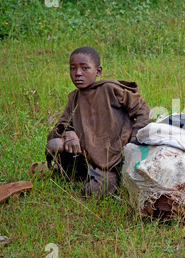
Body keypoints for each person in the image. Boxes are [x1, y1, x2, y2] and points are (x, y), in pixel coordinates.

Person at [44, 46, 151, 198]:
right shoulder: (74, 97)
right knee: (53, 144)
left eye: (85, 68)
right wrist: (69, 132)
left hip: (112, 158)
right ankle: (73, 173)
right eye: (72, 68)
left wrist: (135, 137)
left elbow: (143, 110)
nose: (77, 73)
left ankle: (97, 180)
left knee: (99, 188)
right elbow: (62, 124)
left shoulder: (110, 89)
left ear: (98, 71)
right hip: (85, 153)